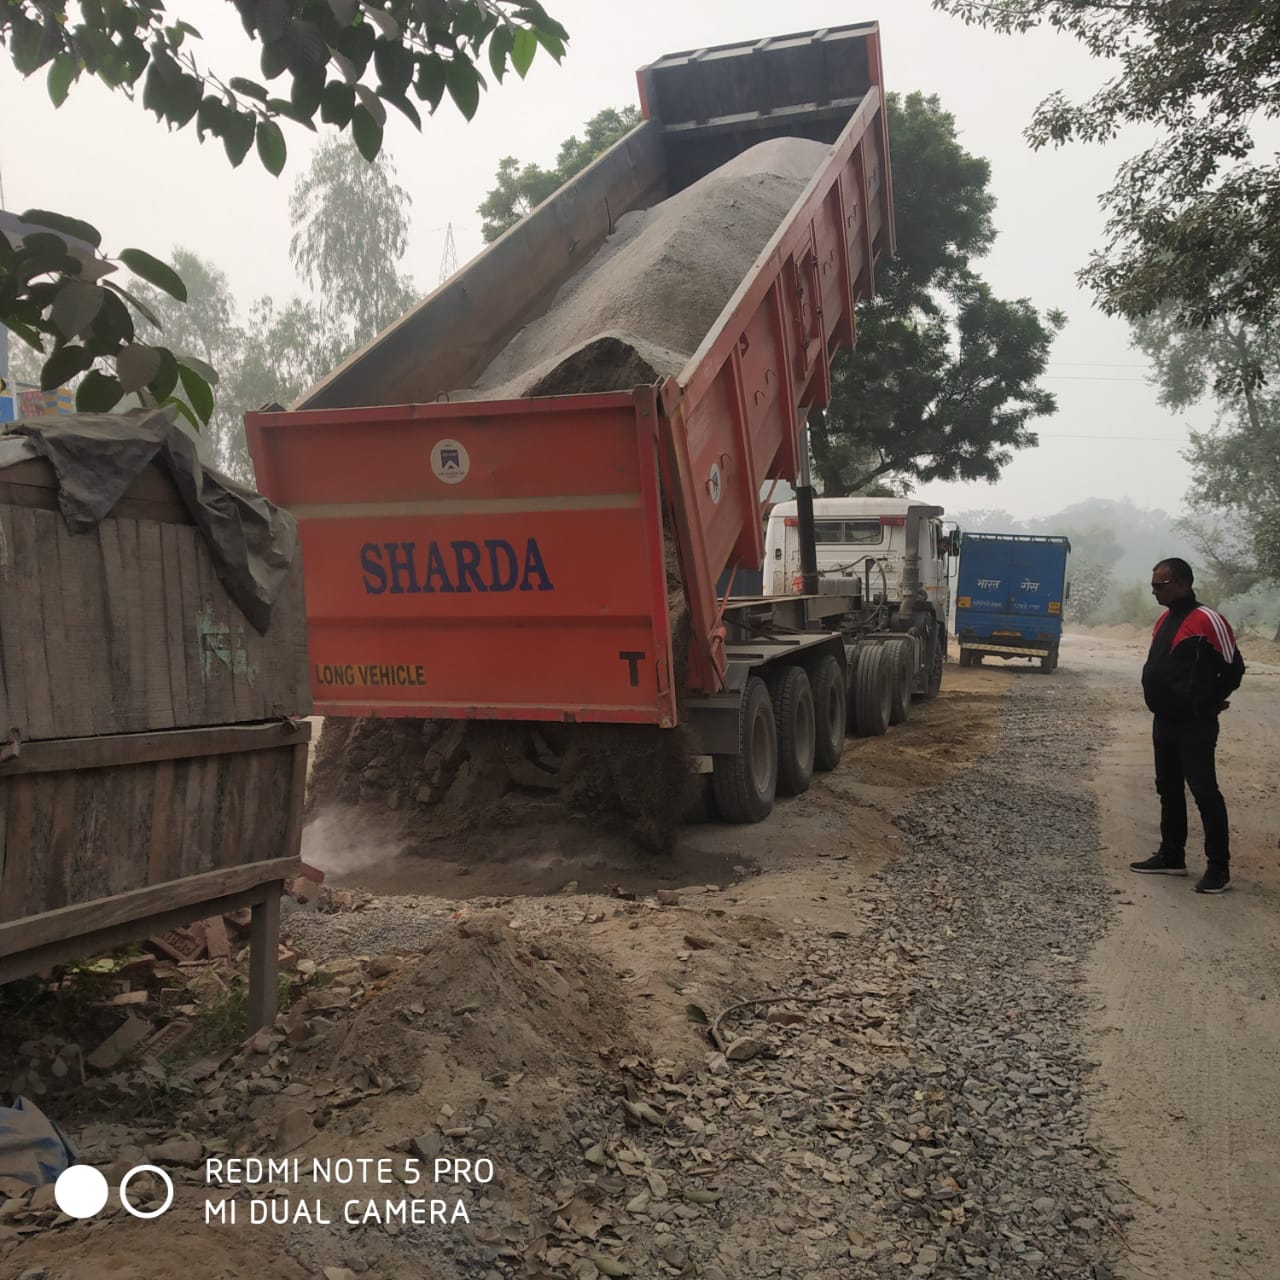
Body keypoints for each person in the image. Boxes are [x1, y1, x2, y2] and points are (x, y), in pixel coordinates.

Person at [1130, 558, 1245, 893]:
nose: (1153, 591)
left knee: (1204, 791)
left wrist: (1208, 702)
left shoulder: (1208, 619)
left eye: (1159, 585)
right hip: (1164, 721)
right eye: (1152, 585)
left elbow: (1233, 668)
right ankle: (1172, 856)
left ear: (1180, 583)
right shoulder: (1165, 619)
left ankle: (1218, 867)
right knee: (1168, 788)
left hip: (1195, 724)